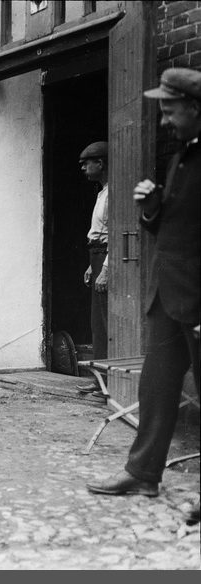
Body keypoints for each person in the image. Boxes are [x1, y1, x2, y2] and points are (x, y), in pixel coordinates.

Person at [86, 67, 200, 526]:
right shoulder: (183, 156)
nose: (166, 120)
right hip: (169, 294)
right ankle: (143, 472)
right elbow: (173, 226)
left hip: (197, 298)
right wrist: (152, 205)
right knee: (155, 387)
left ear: (195, 108)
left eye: (171, 111)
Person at [79, 141, 110, 359]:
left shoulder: (114, 193)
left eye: (85, 163)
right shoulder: (102, 193)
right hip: (97, 255)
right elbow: (100, 231)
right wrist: (93, 265)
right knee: (97, 322)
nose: (82, 168)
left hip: (108, 257)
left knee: (107, 322)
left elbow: (117, 234)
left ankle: (110, 383)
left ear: (100, 163)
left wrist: (106, 268)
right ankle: (101, 381)